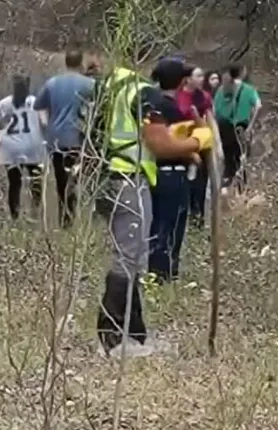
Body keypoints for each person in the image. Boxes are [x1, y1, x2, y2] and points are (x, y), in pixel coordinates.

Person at [88, 56, 214, 357]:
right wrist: (199, 140)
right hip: (128, 179)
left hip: (105, 177)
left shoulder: (112, 85)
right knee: (129, 259)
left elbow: (129, 130)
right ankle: (113, 339)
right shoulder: (143, 92)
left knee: (134, 257)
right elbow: (160, 145)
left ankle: (136, 334)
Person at [148, 58, 200, 284]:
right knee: (171, 225)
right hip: (173, 173)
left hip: (153, 172)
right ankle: (164, 274)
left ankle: (153, 270)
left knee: (156, 223)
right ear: (181, 82)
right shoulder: (170, 108)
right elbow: (172, 143)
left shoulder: (150, 102)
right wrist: (195, 145)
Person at [34, 49, 95, 227]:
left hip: (56, 139)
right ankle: (74, 217)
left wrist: (46, 125)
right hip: (79, 137)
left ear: (66, 62)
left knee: (61, 179)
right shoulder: (89, 84)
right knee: (76, 178)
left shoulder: (52, 83)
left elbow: (39, 108)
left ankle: (65, 219)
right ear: (81, 63)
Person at [0, 75, 46, 220]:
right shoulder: (36, 102)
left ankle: (15, 216)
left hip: (11, 148)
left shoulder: (5, 104)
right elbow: (44, 123)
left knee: (14, 184)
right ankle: (35, 213)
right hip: (32, 146)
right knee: (36, 181)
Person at [213, 64, 262, 195]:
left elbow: (214, 111)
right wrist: (251, 125)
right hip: (242, 128)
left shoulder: (221, 90)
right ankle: (240, 191)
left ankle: (225, 188)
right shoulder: (249, 90)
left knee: (229, 160)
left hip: (224, 128)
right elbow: (258, 106)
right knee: (242, 159)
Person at [178, 66, 213, 226]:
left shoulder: (204, 97)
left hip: (200, 145)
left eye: (202, 76)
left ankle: (197, 217)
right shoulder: (178, 96)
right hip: (180, 145)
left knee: (199, 184)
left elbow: (210, 120)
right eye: (198, 76)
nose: (201, 79)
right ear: (188, 78)